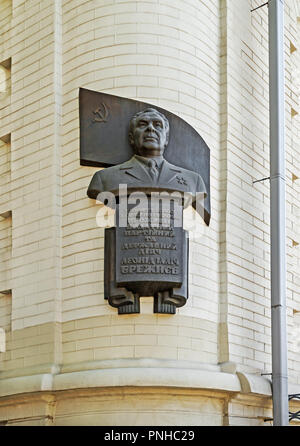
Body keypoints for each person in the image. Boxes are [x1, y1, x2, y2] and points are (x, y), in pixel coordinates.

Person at [87, 108, 206, 200]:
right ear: (132, 138)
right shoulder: (104, 179)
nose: (151, 128)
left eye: (157, 125)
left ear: (167, 139)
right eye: (143, 124)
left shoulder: (194, 181)